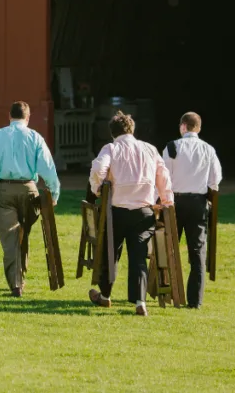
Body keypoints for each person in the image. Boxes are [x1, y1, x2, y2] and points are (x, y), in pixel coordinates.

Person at [87, 111, 173, 316]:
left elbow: (99, 168)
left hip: (116, 210)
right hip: (144, 211)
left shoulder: (112, 147)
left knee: (111, 252)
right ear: (132, 129)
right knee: (139, 257)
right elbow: (164, 176)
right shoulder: (150, 149)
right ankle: (139, 301)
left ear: (112, 133)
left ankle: (106, 296)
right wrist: (166, 200)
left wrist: (96, 187)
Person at [0, 101, 61, 298]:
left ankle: (16, 284)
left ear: (9, 116)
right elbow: (48, 168)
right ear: (27, 118)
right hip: (30, 190)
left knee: (11, 237)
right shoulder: (35, 137)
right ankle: (20, 279)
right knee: (24, 234)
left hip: (3, 189)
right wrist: (53, 194)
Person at [162, 111, 222, 309]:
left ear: (183, 126)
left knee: (169, 249)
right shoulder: (209, 149)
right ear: (199, 128)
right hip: (198, 203)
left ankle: (168, 292)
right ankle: (195, 300)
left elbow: (163, 178)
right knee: (197, 251)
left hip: (175, 202)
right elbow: (215, 180)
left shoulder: (172, 147)